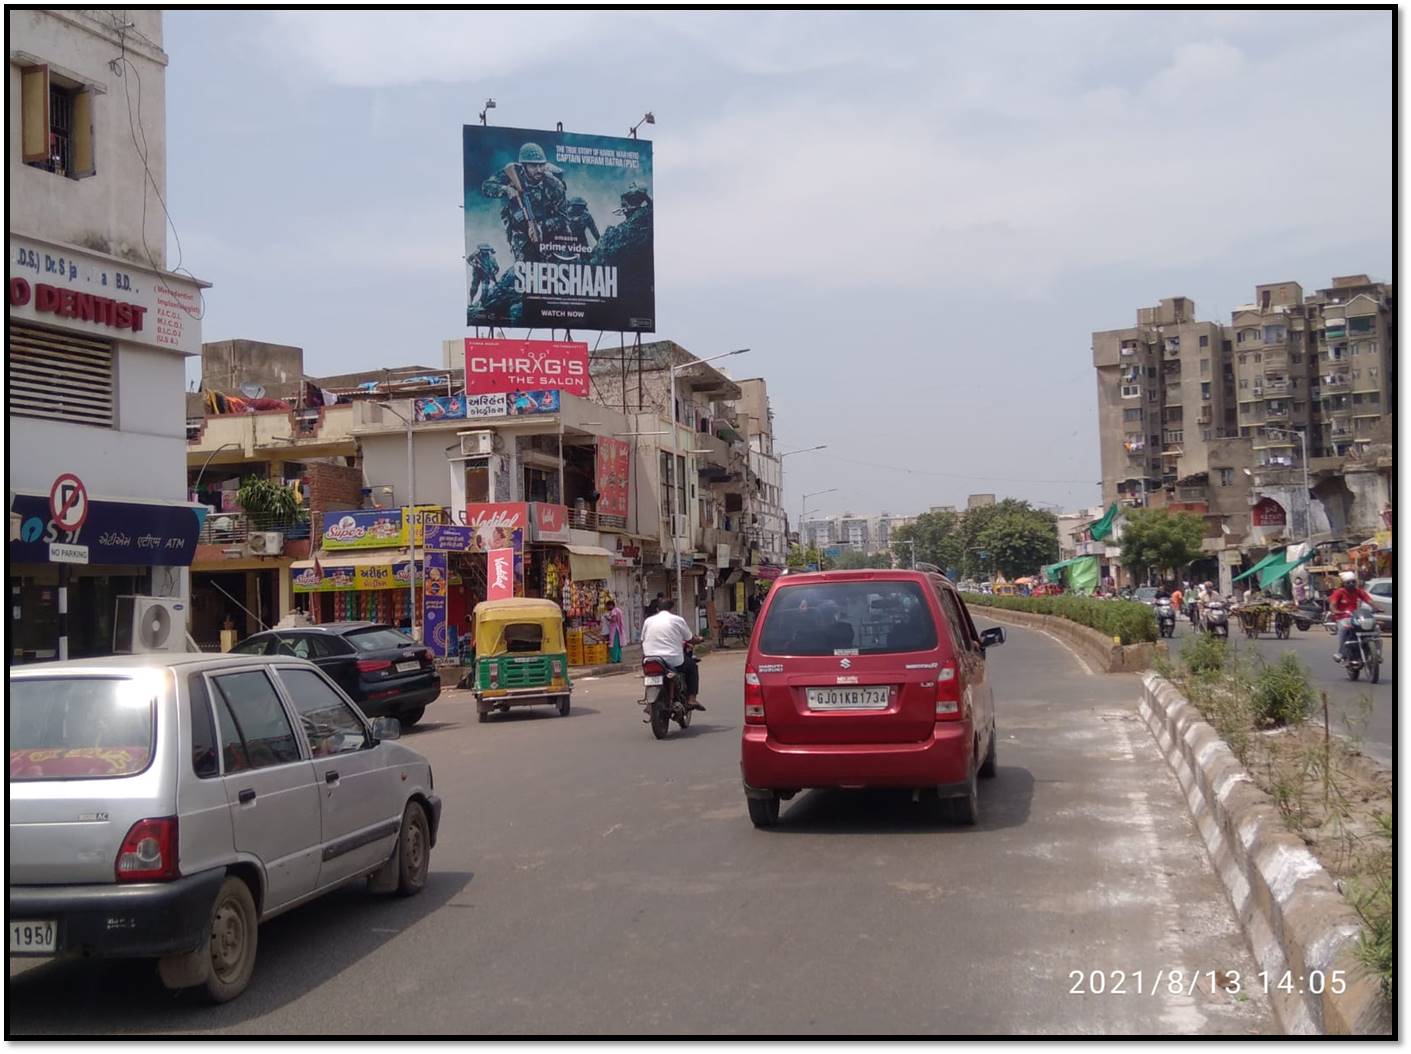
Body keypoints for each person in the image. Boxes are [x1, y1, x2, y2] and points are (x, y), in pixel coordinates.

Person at [640, 599, 704, 711]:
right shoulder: (677, 620)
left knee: (649, 676)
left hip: (650, 659)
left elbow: (642, 639)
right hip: (672, 659)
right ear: (671, 609)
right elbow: (689, 638)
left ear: (657, 609)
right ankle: (692, 699)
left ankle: (648, 702)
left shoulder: (648, 621)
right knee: (692, 667)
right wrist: (699, 639)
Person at [1328, 571, 1376, 663]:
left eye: (1353, 582)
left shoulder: (1358, 591)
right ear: (1344, 583)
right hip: (1342, 617)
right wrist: (1336, 611)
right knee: (1344, 629)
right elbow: (1332, 605)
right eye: (1348, 582)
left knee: (1375, 628)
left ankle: (1375, 652)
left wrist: (1377, 608)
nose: (1351, 584)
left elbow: (1369, 600)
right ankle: (1341, 652)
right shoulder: (1339, 592)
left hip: (1355, 616)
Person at [602, 598, 626, 664]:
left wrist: (607, 618)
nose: (607, 607)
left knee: (614, 646)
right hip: (618, 630)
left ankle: (614, 659)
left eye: (608, 606)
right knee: (618, 645)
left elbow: (613, 620)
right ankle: (618, 658)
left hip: (614, 630)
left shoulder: (614, 611)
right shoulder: (618, 610)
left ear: (611, 605)